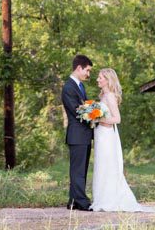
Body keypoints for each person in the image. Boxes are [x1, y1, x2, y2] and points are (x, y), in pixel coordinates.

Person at [91, 68, 155, 212]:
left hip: (107, 135)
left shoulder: (110, 97)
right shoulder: (103, 95)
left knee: (108, 165)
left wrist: (98, 118)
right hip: (100, 134)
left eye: (100, 78)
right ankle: (101, 198)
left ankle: (110, 199)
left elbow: (117, 119)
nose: (97, 80)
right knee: (101, 165)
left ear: (108, 80)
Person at [61, 54, 93, 211]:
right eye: (87, 70)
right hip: (77, 135)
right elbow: (77, 111)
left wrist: (93, 111)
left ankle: (73, 201)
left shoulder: (80, 86)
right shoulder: (68, 87)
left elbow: (84, 107)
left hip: (84, 135)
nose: (88, 74)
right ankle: (82, 201)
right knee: (78, 171)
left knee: (81, 170)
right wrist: (96, 115)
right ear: (79, 68)